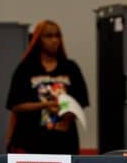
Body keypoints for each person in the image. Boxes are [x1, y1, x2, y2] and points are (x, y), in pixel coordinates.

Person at [6, 20, 89, 155]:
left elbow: (81, 101)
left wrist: (68, 117)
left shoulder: (70, 68)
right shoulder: (26, 68)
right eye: (49, 36)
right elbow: (15, 105)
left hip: (64, 142)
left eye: (57, 36)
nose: (54, 40)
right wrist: (46, 104)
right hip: (31, 141)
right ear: (38, 39)